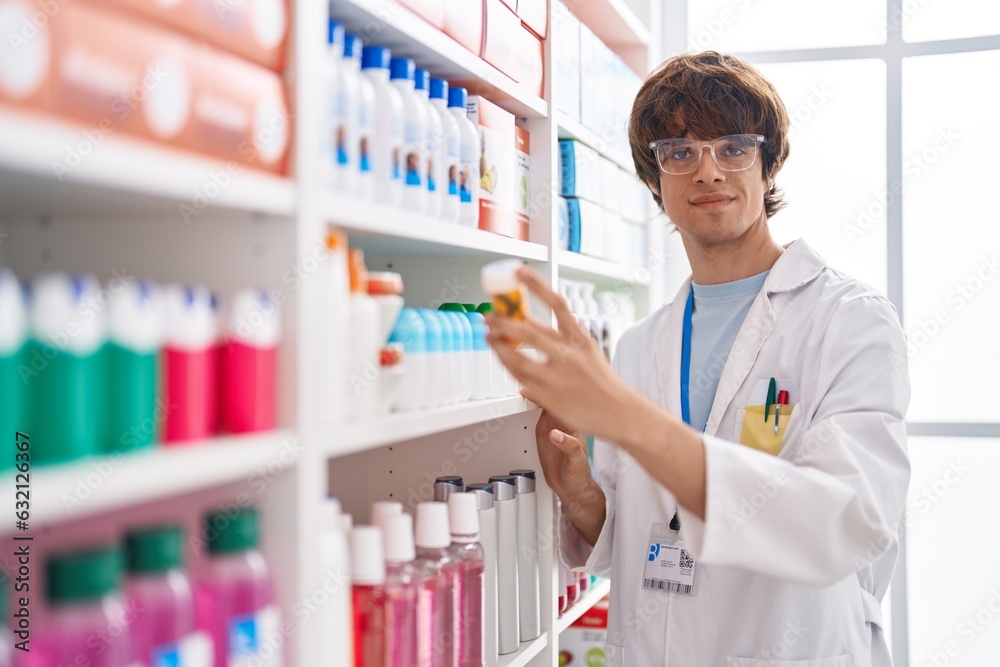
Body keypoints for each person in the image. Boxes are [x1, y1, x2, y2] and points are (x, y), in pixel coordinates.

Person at [485, 51, 910, 667]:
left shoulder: (850, 320)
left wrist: (630, 421)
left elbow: (847, 521)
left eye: (733, 148)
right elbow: (648, 530)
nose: (707, 171)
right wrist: (579, 492)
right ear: (655, 181)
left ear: (769, 167)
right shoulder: (639, 345)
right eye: (679, 152)